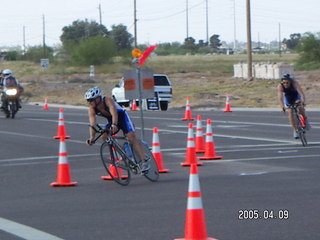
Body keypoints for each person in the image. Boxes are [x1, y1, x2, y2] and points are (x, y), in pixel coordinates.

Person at [85, 87, 150, 173]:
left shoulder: (107, 100)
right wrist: (92, 138)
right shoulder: (92, 109)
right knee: (104, 136)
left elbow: (114, 113)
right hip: (111, 121)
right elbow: (92, 124)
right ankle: (123, 152)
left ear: (98, 98)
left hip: (122, 118)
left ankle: (144, 161)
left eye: (91, 100)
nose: (90, 103)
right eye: (88, 101)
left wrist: (114, 124)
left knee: (131, 137)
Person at [277, 74, 311, 139]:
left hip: (296, 96)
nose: (285, 84)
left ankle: (305, 121)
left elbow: (301, 93)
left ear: (290, 81)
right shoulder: (280, 86)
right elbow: (280, 97)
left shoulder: (295, 83)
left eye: (287, 82)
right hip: (288, 98)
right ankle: (295, 130)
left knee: (300, 106)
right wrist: (282, 106)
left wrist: (303, 101)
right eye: (284, 83)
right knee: (290, 111)